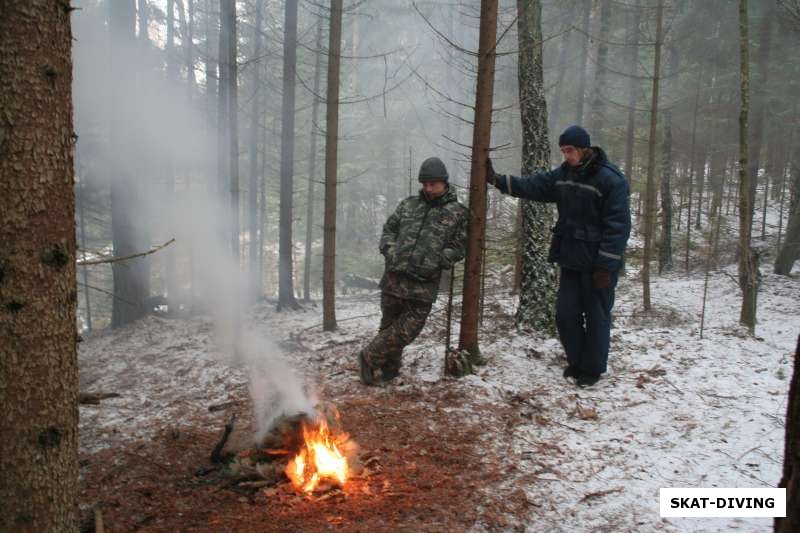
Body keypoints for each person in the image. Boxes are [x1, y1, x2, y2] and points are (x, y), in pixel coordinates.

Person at [486, 125, 631, 387]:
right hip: (570, 259)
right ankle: (576, 362)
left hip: (598, 265)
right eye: (563, 151)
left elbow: (618, 226)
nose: (567, 156)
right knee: (565, 315)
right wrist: (499, 181)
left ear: (584, 149)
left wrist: (606, 266)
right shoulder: (564, 175)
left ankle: (593, 369)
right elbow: (534, 185)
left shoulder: (611, 180)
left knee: (597, 317)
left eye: (570, 150)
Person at [358, 157, 468, 386]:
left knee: (409, 329)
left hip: (423, 283)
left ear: (444, 183)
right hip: (394, 277)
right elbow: (389, 230)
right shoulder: (408, 204)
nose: (428, 189)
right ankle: (389, 368)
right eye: (424, 184)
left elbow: (460, 245)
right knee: (389, 325)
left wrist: (440, 259)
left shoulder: (457, 212)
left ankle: (368, 357)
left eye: (433, 184)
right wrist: (390, 251)